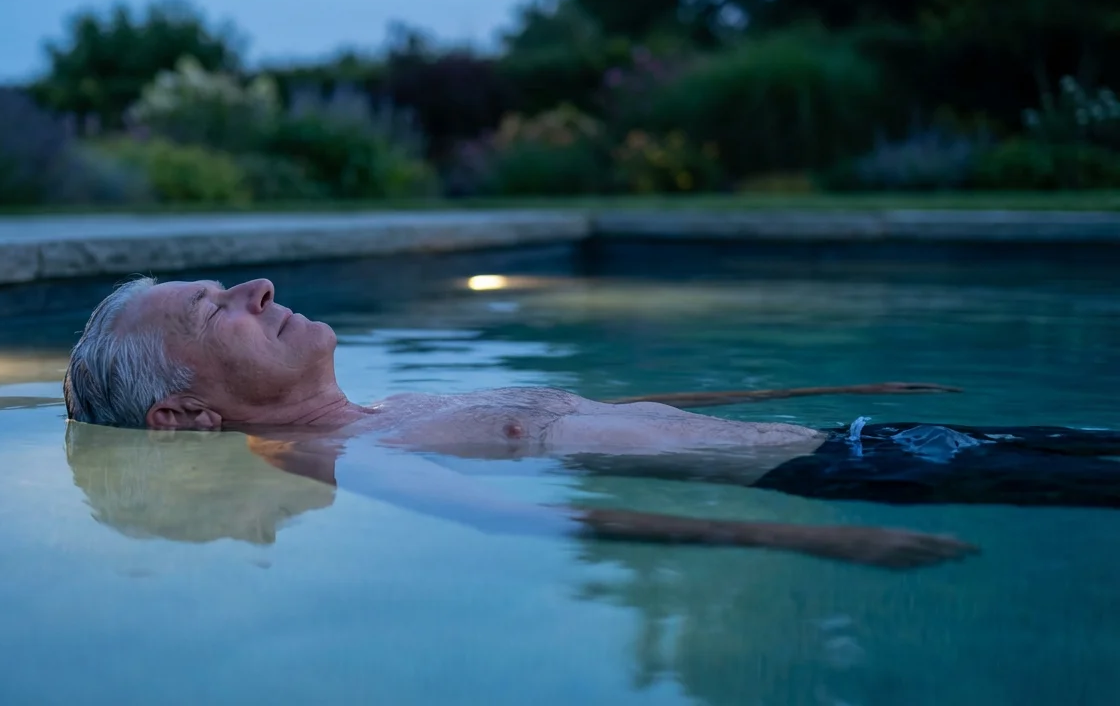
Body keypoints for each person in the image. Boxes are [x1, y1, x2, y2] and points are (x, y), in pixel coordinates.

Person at [59, 277, 1116, 569]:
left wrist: (820, 400)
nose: (255, 286)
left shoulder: (396, 409)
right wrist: (813, 538)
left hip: (865, 441)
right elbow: (526, 524)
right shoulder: (325, 453)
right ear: (185, 411)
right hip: (848, 481)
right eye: (213, 309)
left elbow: (595, 415)